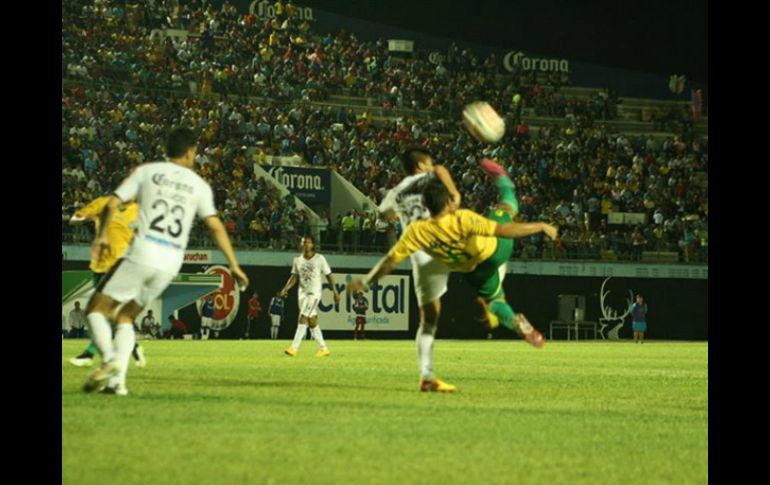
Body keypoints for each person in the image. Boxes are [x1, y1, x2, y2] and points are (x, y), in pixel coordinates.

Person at [348, 159, 559, 392]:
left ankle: (519, 326)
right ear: (448, 202)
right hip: (497, 250)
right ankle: (505, 182)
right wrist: (539, 226)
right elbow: (505, 230)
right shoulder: (462, 218)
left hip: (473, 271)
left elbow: (390, 262)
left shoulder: (418, 232)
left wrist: (367, 281)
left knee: (495, 300)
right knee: (506, 210)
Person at [81, 127, 249, 396]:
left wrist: (101, 237)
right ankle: (117, 385)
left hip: (143, 252)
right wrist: (234, 264)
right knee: (126, 316)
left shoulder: (147, 172)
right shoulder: (199, 185)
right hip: (171, 261)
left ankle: (111, 360)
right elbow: (216, 226)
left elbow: (111, 204)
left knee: (95, 309)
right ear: (191, 151)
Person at [374, 146, 461, 392]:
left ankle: (426, 375)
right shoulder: (430, 177)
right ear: (421, 165)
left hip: (417, 254)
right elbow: (442, 171)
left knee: (429, 317)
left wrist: (394, 215)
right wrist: (454, 194)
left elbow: (382, 212)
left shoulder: (396, 191)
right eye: (429, 161)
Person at [67, 195, 146, 368]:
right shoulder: (103, 203)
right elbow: (74, 219)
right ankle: (134, 347)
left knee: (99, 311)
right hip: (99, 264)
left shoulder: (140, 211)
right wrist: (85, 218)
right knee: (112, 314)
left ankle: (89, 354)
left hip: (121, 265)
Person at [280, 234, 340, 357]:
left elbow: (329, 275)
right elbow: (294, 276)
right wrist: (285, 288)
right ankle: (324, 348)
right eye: (303, 242)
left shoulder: (319, 259)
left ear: (312, 244)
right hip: (302, 294)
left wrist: (335, 291)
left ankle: (294, 348)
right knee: (312, 321)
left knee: (302, 317)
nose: (305, 244)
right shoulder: (297, 260)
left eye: (308, 242)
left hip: (314, 293)